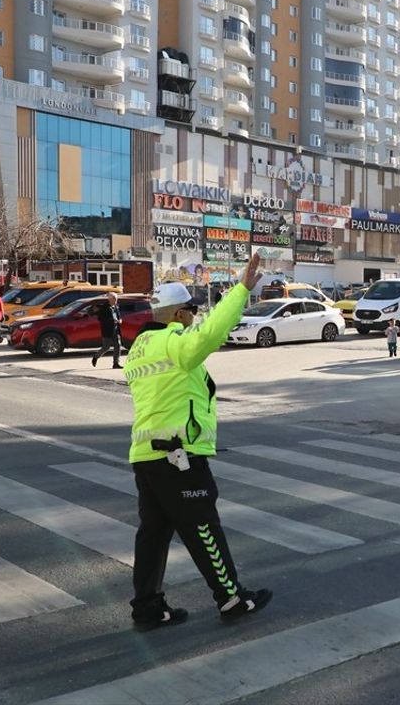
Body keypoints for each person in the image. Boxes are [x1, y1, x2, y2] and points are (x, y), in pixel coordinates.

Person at [124, 254, 272, 630]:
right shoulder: (172, 343)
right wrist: (240, 291)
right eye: (190, 310)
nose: (194, 317)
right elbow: (210, 334)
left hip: (147, 455)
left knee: (153, 535)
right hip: (177, 456)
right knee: (203, 525)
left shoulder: (139, 349)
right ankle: (232, 598)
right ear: (176, 315)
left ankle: (148, 608)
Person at [92, 293, 123, 369]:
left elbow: (119, 316)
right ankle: (96, 356)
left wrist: (120, 320)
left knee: (118, 345)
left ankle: (116, 363)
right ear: (110, 299)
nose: (116, 301)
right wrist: (112, 321)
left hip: (116, 329)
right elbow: (101, 319)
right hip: (107, 330)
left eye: (116, 299)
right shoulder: (104, 308)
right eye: (114, 299)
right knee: (106, 347)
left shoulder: (115, 306)